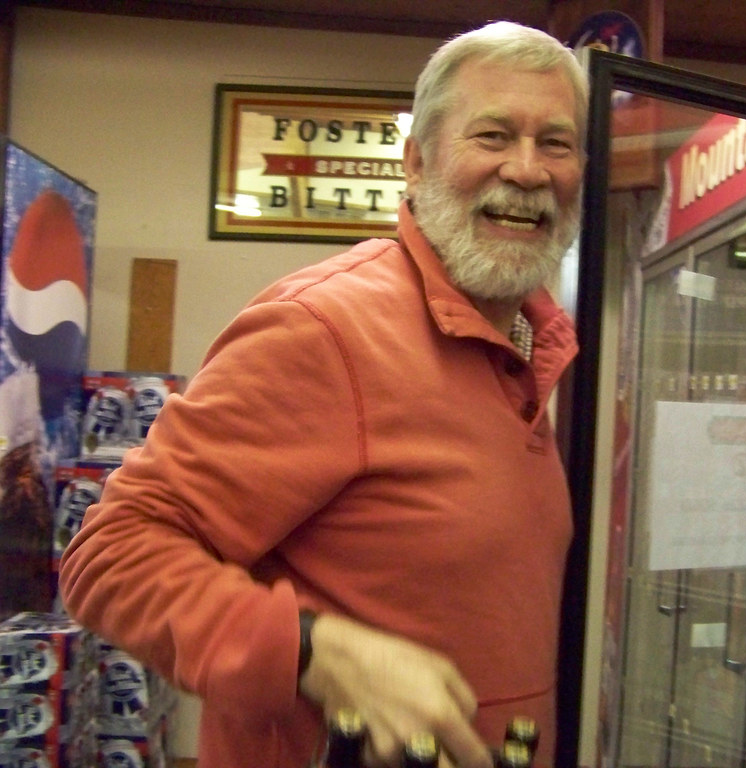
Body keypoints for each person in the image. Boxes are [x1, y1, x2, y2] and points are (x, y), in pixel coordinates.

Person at [58, 19, 587, 768]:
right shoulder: (324, 328)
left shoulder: (539, 344)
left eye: (555, 144)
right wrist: (312, 651)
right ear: (416, 163)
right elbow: (110, 556)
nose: (528, 171)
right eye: (493, 136)